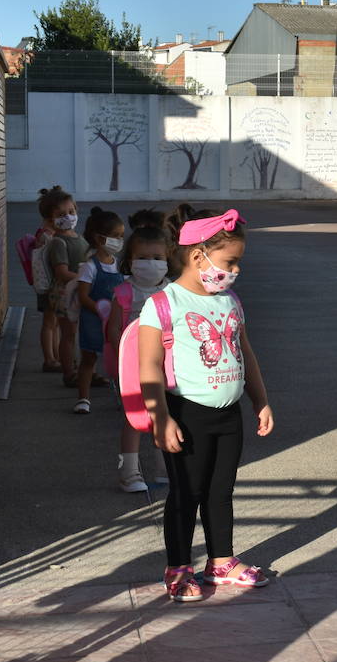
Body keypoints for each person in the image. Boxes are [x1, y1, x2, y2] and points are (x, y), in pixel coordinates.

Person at [141, 207, 273, 602]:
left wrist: (260, 400)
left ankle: (221, 562)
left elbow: (244, 352)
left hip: (228, 415)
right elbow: (147, 365)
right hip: (186, 415)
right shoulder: (165, 303)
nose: (234, 271)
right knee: (186, 493)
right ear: (199, 256)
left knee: (221, 490)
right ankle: (178, 567)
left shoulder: (229, 301)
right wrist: (160, 416)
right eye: (230, 262)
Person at [105, 222, 171, 492]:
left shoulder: (173, 292)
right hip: (135, 366)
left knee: (162, 414)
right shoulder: (124, 292)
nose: (150, 264)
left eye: (157, 258)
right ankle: (128, 472)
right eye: (142, 258)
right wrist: (125, 360)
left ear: (169, 260)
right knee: (134, 418)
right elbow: (113, 327)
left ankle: (165, 468)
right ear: (129, 261)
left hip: (166, 364)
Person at [73, 208, 123, 414]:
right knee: (89, 359)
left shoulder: (117, 263)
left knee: (118, 358)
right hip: (93, 321)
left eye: (121, 236)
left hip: (113, 321)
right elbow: (83, 296)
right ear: (99, 237)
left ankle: (124, 395)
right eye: (116, 236)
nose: (120, 241)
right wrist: (100, 310)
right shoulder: (89, 266)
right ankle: (83, 398)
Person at [43, 190, 85, 386]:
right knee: (68, 335)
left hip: (78, 291)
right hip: (65, 294)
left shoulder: (78, 237)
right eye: (60, 215)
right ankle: (69, 373)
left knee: (76, 334)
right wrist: (86, 278)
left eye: (71, 211)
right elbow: (62, 273)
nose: (68, 217)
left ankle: (79, 369)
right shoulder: (59, 242)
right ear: (50, 220)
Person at [33, 186, 68, 373]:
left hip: (54, 286)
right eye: (62, 214)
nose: (67, 218)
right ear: (49, 216)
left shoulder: (51, 234)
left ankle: (55, 357)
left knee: (54, 323)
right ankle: (49, 359)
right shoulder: (47, 236)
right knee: (49, 323)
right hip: (48, 286)